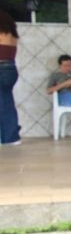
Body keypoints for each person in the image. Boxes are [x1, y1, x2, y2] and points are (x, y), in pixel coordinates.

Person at [0, 10, 21, 146]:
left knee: (3, 105)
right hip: (11, 70)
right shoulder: (13, 36)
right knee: (7, 104)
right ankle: (11, 137)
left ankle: (8, 137)